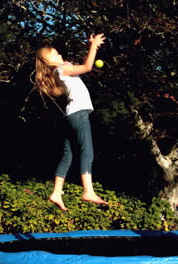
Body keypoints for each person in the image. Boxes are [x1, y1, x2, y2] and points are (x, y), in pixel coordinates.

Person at [35, 33, 108, 211]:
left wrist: (93, 47)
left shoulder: (60, 71)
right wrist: (94, 46)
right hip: (79, 114)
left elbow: (81, 66)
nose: (61, 54)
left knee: (68, 155)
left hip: (70, 116)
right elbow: (88, 66)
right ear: (49, 59)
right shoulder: (61, 70)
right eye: (57, 53)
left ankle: (56, 192)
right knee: (87, 151)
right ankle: (88, 191)